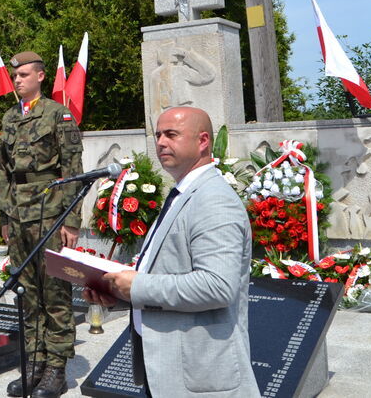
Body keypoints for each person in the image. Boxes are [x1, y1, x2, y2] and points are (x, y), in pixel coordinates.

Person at [84, 106, 258, 397]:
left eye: (172, 134)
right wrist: (117, 292)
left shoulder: (214, 200)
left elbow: (217, 286)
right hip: (167, 367)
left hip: (198, 373)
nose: (161, 142)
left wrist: (136, 285)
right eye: (158, 134)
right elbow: (166, 274)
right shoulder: (182, 193)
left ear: (203, 141)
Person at [0, 51, 84, 398]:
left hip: (49, 212)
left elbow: (73, 169)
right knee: (27, 293)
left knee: (55, 293)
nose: (17, 80)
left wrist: (71, 220)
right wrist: (5, 215)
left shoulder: (58, 115)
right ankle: (34, 363)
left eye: (24, 75)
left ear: (41, 77)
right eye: (15, 75)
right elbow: (3, 172)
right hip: (18, 215)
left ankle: (56, 370)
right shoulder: (9, 118)